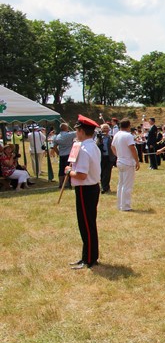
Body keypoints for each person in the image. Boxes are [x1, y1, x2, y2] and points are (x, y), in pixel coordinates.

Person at [64, 115, 102, 269]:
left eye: (77, 130)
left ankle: (89, 259)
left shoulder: (84, 150)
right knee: (88, 224)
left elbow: (81, 175)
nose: (76, 133)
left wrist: (69, 172)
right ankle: (88, 256)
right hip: (91, 188)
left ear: (81, 131)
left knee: (86, 225)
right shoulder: (93, 146)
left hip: (85, 189)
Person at [111, 119, 139, 211]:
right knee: (127, 185)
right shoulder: (128, 135)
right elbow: (132, 148)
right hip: (128, 162)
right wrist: (137, 161)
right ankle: (125, 206)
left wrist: (118, 155)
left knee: (121, 184)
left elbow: (112, 146)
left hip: (120, 161)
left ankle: (120, 204)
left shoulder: (117, 135)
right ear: (128, 126)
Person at [52, 123, 76, 189]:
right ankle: (67, 183)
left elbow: (54, 147)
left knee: (61, 169)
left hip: (61, 155)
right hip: (68, 154)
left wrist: (58, 153)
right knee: (68, 169)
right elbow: (78, 132)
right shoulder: (69, 135)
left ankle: (60, 183)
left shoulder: (57, 137)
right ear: (66, 128)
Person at [97, 123, 114, 193]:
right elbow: (96, 145)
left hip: (109, 157)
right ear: (101, 129)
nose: (105, 130)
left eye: (107, 128)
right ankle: (103, 186)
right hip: (101, 157)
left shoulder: (111, 137)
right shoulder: (98, 138)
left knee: (107, 172)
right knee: (101, 172)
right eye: (104, 128)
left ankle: (106, 187)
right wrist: (99, 138)